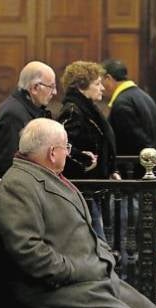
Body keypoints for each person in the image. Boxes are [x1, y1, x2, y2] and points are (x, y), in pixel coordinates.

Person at [0, 118, 156, 308]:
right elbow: (28, 250)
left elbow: (84, 228)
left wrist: (102, 257)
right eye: (67, 148)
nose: (69, 153)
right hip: (49, 290)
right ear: (53, 153)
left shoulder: (45, 175)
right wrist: (77, 271)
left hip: (82, 276)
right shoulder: (19, 185)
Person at [101, 59, 156, 290]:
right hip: (151, 175)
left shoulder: (122, 104)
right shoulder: (143, 96)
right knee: (145, 225)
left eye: (103, 81)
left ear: (109, 78)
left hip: (135, 178)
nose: (103, 87)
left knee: (130, 227)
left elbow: (135, 141)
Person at [57, 61, 121, 240]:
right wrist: (84, 162)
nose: (102, 88)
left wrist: (111, 169)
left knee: (100, 239)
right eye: (97, 84)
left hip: (94, 187)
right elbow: (61, 146)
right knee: (96, 240)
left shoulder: (88, 109)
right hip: (82, 189)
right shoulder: (72, 111)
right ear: (81, 86)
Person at [0, 61, 56, 176]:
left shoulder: (29, 109)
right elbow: (9, 165)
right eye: (51, 87)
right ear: (35, 88)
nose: (54, 92)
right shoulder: (13, 115)